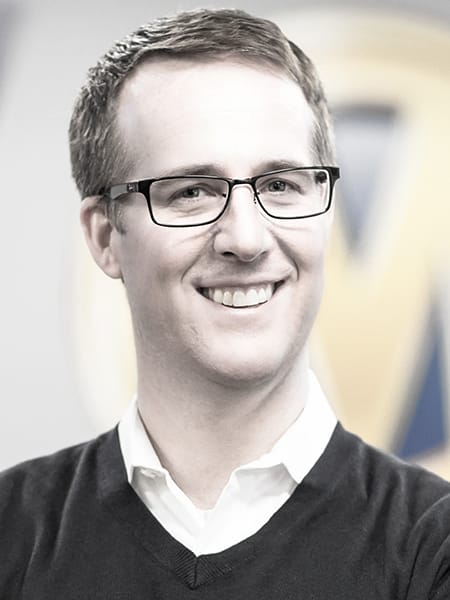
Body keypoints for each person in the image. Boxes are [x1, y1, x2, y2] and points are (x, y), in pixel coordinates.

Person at [0, 8, 449, 598]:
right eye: (192, 191)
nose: (246, 238)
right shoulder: (11, 536)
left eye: (281, 185)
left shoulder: (433, 548)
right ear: (105, 236)